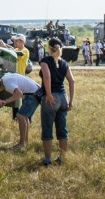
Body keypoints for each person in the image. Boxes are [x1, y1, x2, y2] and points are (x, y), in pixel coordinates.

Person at [39, 38, 75, 166]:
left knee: (47, 129)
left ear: (49, 48)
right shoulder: (64, 62)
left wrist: (48, 94)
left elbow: (47, 76)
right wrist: (71, 100)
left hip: (51, 97)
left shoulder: (45, 61)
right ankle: (62, 158)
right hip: (63, 97)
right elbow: (72, 81)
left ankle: (47, 159)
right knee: (62, 129)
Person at [0, 72, 41, 149]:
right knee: (24, 117)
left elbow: (19, 94)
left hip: (33, 94)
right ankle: (25, 141)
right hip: (35, 91)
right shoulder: (4, 77)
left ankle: (21, 144)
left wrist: (6, 101)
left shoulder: (8, 86)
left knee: (20, 116)